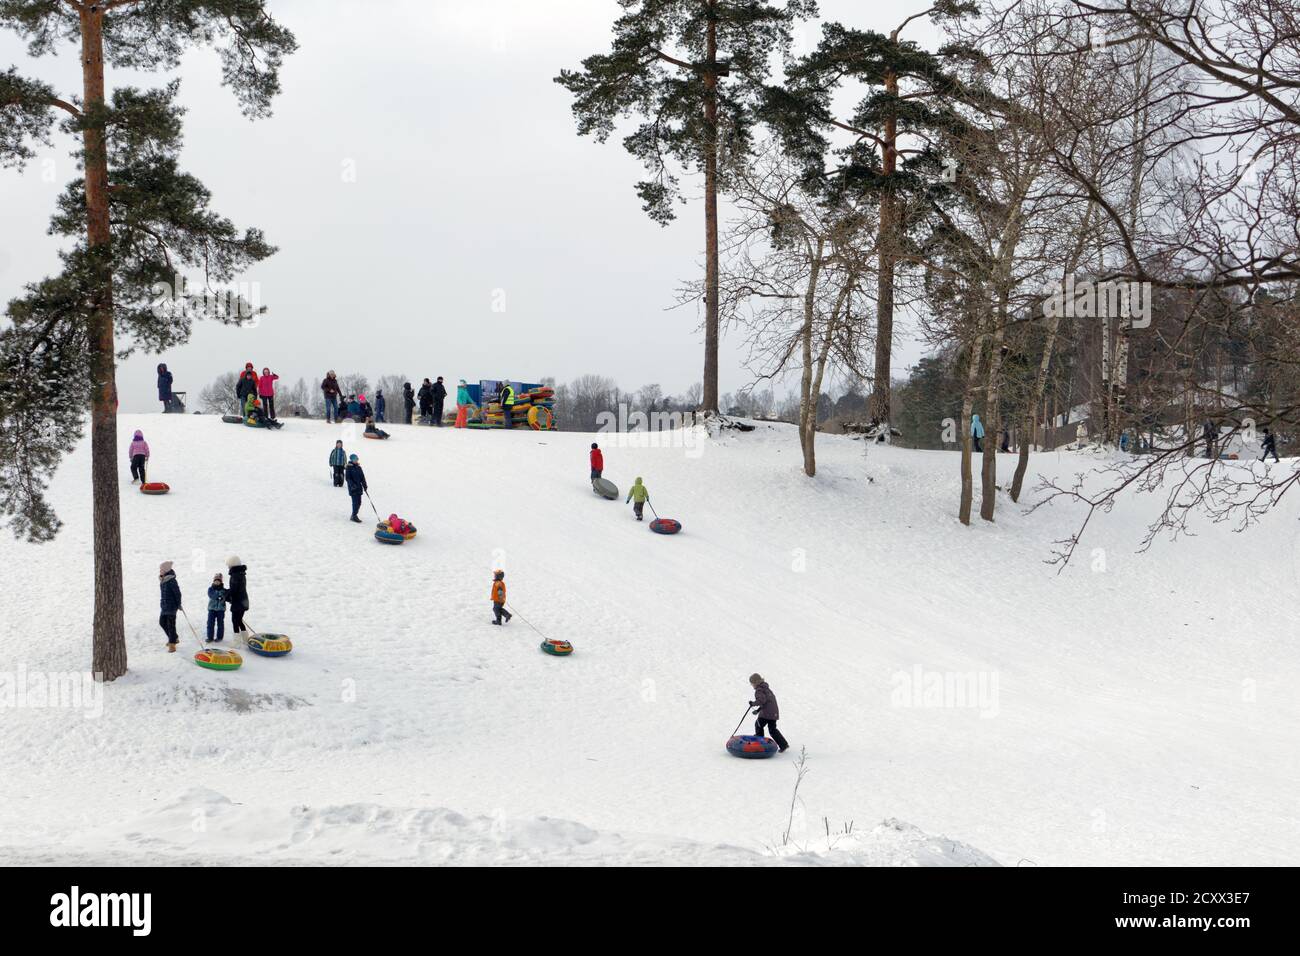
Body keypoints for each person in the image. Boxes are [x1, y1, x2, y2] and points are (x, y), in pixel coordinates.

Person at [748, 673, 789, 753]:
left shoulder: (759, 690)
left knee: (758, 724)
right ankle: (783, 744)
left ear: (755, 683)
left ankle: (759, 740)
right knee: (772, 729)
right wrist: (758, 710)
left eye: (752, 683)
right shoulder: (766, 688)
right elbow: (767, 702)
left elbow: (762, 700)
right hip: (773, 712)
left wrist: (753, 703)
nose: (752, 685)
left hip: (767, 713)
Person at [159, 561, 182, 652]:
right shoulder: (163, 580)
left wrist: (179, 604)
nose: (160, 571)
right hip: (164, 606)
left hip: (172, 606)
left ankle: (172, 644)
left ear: (166, 570)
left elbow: (177, 593)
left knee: (171, 625)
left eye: (161, 569)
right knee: (162, 622)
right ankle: (174, 637)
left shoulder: (171, 580)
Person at [226, 556, 250, 641]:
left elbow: (234, 590)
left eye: (229, 565)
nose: (228, 567)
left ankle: (236, 641)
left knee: (235, 620)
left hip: (238, 602)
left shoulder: (235, 575)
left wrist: (227, 595)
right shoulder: (241, 573)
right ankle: (245, 638)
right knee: (239, 620)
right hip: (243, 601)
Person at [345, 454, 367, 523]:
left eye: (357, 459)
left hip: (359, 488)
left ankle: (354, 514)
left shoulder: (359, 467)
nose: (356, 460)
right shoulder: (349, 468)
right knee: (355, 502)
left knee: (359, 502)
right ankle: (354, 515)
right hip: (353, 488)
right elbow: (348, 478)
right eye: (354, 459)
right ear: (351, 460)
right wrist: (353, 485)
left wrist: (364, 485)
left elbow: (362, 477)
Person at [206, 573, 227, 643]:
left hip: (221, 610)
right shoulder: (210, 589)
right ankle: (210, 637)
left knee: (220, 623)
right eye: (215, 580)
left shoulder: (224, 590)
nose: (217, 582)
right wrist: (218, 596)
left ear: (221, 581)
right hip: (212, 609)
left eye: (218, 580)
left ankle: (219, 637)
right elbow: (211, 595)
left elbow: (227, 597)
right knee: (210, 623)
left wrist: (227, 597)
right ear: (213, 581)